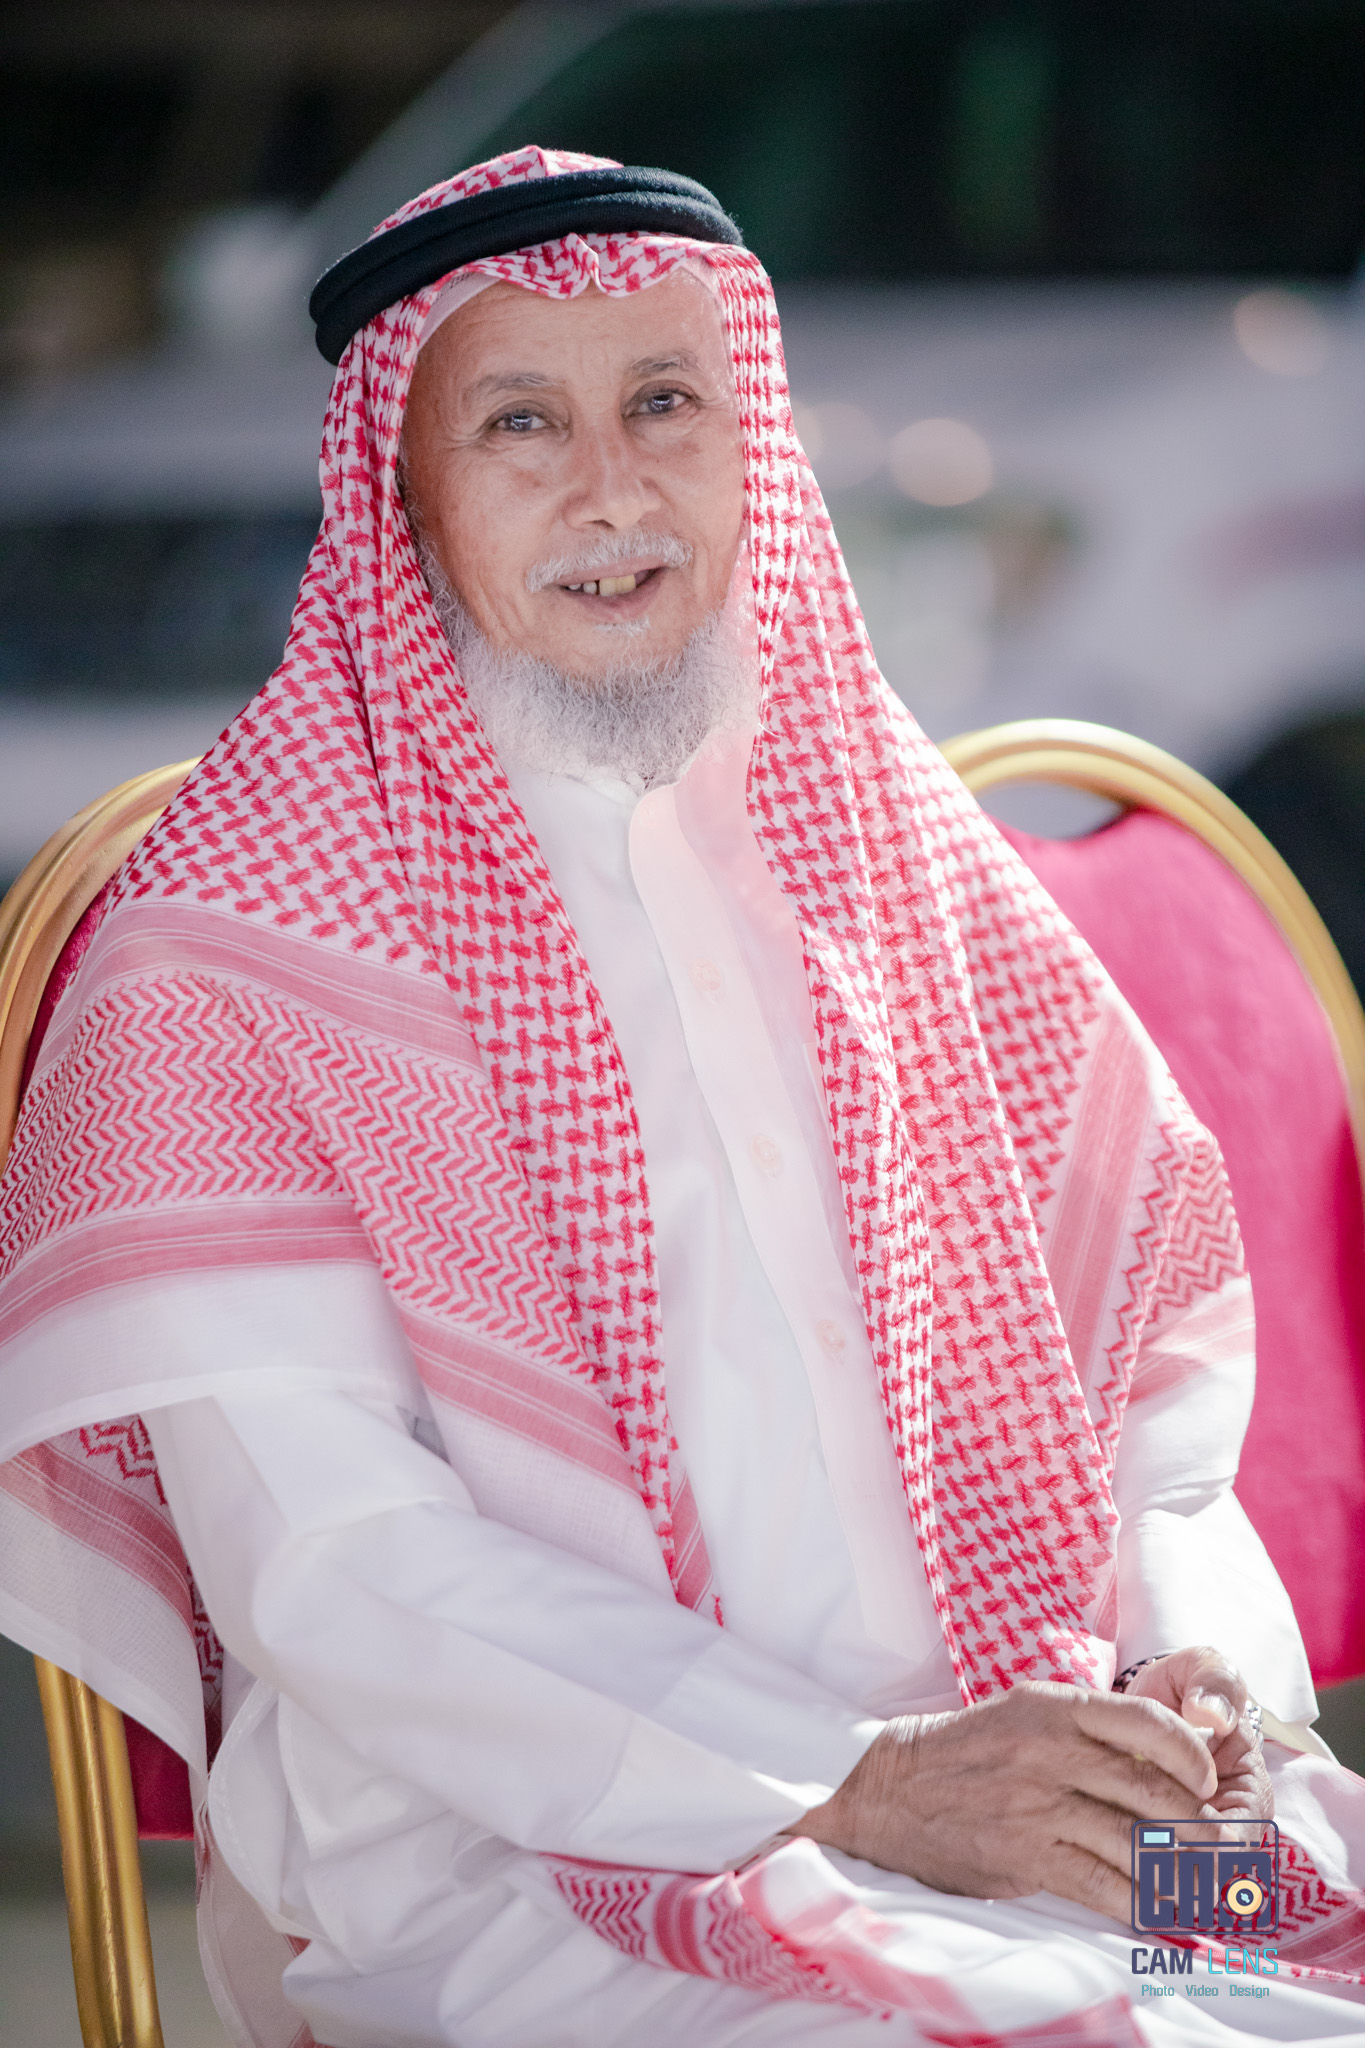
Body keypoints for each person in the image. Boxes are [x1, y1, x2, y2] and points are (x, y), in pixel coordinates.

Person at [2, 147, 1364, 2048]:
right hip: (540, 1860)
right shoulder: (228, 961)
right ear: (399, 494)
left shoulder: (913, 878)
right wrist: (864, 1782)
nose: (612, 488)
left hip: (1053, 1788)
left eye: (665, 402)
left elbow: (1153, 1411)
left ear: (754, 449)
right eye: (518, 423)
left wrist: (1197, 1667)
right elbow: (339, 1569)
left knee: (1284, 2001)